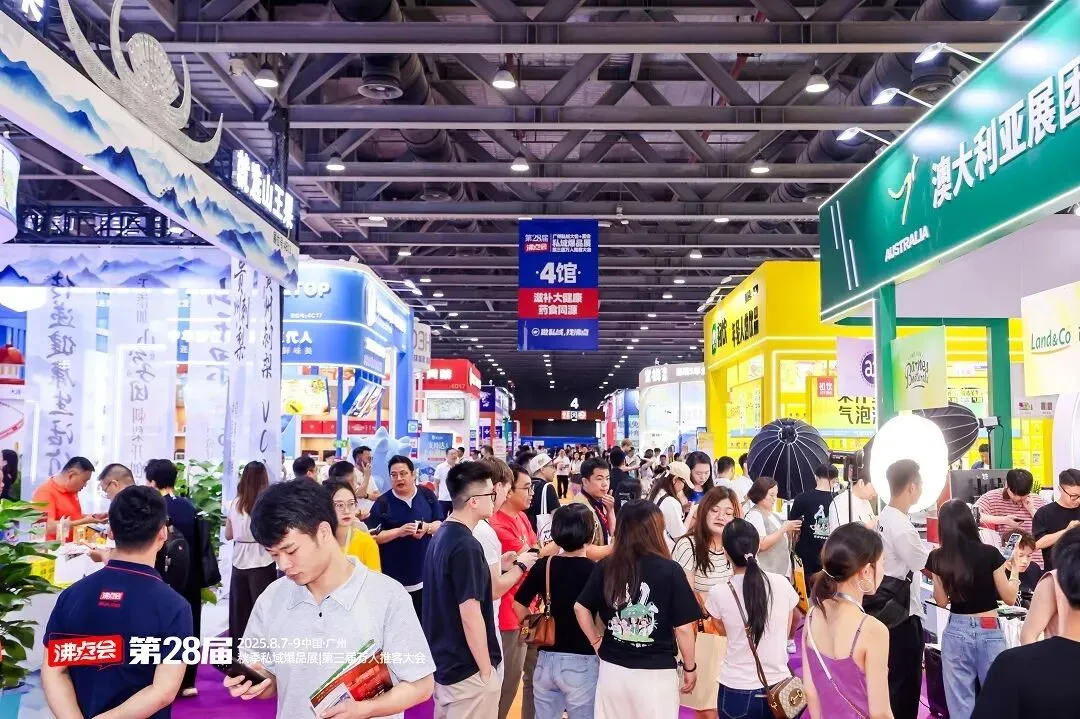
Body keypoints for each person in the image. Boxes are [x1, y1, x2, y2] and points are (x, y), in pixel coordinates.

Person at [225, 479, 435, 719]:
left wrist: (366, 709)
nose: (283, 564)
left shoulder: (387, 596)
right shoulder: (272, 599)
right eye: (274, 555)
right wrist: (258, 682)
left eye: (291, 550)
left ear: (323, 532)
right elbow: (268, 677)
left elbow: (421, 685)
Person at [43, 485, 191, 719]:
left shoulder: (73, 595)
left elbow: (54, 671)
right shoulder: (174, 607)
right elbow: (163, 690)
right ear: (162, 534)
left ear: (110, 531)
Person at [574, 500, 699, 719]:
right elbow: (683, 629)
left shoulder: (607, 565)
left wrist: (595, 641)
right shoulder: (670, 570)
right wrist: (690, 667)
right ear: (656, 530)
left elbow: (580, 607)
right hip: (655, 674)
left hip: (612, 669)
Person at [423, 462, 504, 719]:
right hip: (468, 672)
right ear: (474, 501)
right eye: (491, 493)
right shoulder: (466, 545)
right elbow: (470, 614)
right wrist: (486, 672)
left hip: (446, 665)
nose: (494, 499)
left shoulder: (442, 535)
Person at [971, 527, 1080, 718]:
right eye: (1020, 555)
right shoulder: (997, 571)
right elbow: (1014, 607)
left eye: (1028, 556)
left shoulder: (1012, 667)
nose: (1024, 561)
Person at [926, 499, 1020, 719]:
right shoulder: (990, 553)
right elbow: (1009, 597)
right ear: (969, 522)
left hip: (956, 630)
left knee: (960, 702)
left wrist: (939, 573)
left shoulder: (938, 557)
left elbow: (941, 601)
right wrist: (1015, 570)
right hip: (989, 628)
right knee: (996, 698)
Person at [706, 518, 800, 719]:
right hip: (780, 686)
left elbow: (722, 631)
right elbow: (788, 625)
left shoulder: (718, 593)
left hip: (736, 689)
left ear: (725, 552)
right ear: (757, 547)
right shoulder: (781, 584)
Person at [513, 504, 599, 719]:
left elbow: (518, 604)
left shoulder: (545, 565)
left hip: (546, 658)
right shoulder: (596, 571)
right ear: (590, 534)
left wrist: (531, 627)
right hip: (583, 659)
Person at [801, 523, 893, 719]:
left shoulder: (812, 614)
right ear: (866, 571)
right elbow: (880, 713)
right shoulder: (872, 630)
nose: (884, 571)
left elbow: (810, 691)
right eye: (883, 563)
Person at [671, 486, 739, 719]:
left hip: (732, 633)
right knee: (707, 704)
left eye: (728, 512)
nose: (721, 517)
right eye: (715, 510)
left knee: (723, 701)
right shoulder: (688, 545)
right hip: (701, 632)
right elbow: (684, 596)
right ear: (704, 511)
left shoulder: (735, 547)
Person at [145, 457, 207, 698]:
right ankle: (188, 681)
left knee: (158, 628)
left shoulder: (153, 508)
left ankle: (158, 679)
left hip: (161, 577)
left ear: (152, 482)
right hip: (190, 576)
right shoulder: (188, 506)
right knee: (189, 627)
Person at [875, 459, 931, 719]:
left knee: (893, 679)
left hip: (886, 606)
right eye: (921, 486)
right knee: (906, 681)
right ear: (911, 487)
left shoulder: (885, 517)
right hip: (903, 613)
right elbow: (924, 563)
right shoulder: (902, 527)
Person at [491, 462, 542, 719]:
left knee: (535, 677)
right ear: (508, 491)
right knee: (508, 684)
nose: (532, 493)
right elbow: (535, 555)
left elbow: (535, 551)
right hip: (510, 617)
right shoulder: (496, 526)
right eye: (527, 487)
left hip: (530, 612)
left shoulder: (521, 517)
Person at [368, 455, 445, 617]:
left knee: (424, 622)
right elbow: (374, 537)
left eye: (403, 473)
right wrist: (399, 531)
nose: (399, 478)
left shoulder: (427, 495)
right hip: (393, 579)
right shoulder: (383, 503)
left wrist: (427, 528)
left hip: (425, 576)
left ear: (413, 474)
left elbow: (440, 524)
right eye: (394, 475)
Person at [226, 461, 277, 647]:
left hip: (239, 559)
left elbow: (228, 534)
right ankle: (263, 652)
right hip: (263, 559)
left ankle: (238, 653)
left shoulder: (233, 504)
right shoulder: (267, 505)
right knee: (263, 610)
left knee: (239, 611)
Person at [976, 468, 1046, 567]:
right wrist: (1003, 520)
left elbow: (1048, 527)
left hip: (1035, 561)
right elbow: (973, 515)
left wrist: (1032, 510)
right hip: (1007, 561)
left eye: (1022, 496)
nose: (1017, 498)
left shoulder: (1037, 500)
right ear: (1006, 485)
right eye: (1014, 494)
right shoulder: (992, 497)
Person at [31, 456, 103, 540]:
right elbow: (48, 527)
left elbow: (72, 517)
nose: (85, 485)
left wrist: (93, 517)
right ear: (71, 475)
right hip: (54, 547)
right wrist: (83, 522)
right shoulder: (45, 492)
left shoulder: (72, 491)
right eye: (84, 481)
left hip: (73, 544)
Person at [744, 476, 800, 578]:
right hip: (767, 572)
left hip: (782, 571)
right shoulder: (755, 515)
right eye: (771, 495)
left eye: (776, 495)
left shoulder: (774, 515)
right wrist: (784, 528)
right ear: (760, 494)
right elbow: (761, 544)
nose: (775, 498)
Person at [789, 463, 838, 579]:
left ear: (815, 477)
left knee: (806, 585)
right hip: (832, 552)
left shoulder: (802, 498)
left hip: (806, 552)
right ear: (835, 480)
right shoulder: (839, 499)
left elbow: (791, 524)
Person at [323, 476, 381, 571]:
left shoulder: (366, 542)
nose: (346, 511)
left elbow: (374, 578)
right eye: (339, 505)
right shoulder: (316, 542)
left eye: (351, 504)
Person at [1032, 468, 1080, 572]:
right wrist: (1067, 531)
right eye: (1074, 496)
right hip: (1056, 573)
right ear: (1060, 489)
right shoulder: (1045, 513)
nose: (1078, 500)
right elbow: (1037, 544)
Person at [571, 457, 618, 559]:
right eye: (599, 479)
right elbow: (583, 550)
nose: (605, 484)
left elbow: (612, 533)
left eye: (607, 478)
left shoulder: (598, 500)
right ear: (585, 481)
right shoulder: (578, 508)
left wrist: (610, 510)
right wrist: (616, 546)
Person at [648, 462, 689, 549]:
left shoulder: (657, 491)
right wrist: (692, 512)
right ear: (675, 479)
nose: (683, 487)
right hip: (665, 550)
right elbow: (680, 537)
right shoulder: (671, 502)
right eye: (684, 482)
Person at [526, 453, 560, 537]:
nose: (554, 470)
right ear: (542, 469)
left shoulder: (527, 486)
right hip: (543, 535)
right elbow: (558, 516)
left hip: (529, 535)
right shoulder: (547, 487)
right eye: (552, 466)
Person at [609, 447, 639, 512]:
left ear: (610, 461)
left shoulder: (606, 479)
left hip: (609, 513)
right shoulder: (633, 481)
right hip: (628, 513)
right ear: (623, 462)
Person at [435, 448, 461, 516]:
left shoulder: (458, 468)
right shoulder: (440, 467)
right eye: (452, 454)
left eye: (455, 453)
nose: (454, 456)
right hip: (443, 498)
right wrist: (436, 492)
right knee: (442, 518)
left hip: (455, 499)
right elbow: (436, 481)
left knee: (454, 518)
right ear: (447, 456)